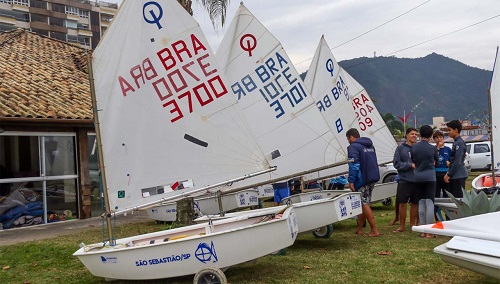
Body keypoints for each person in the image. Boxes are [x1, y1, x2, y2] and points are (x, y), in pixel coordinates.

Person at [346, 128, 381, 237]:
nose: (348, 141)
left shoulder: (353, 147)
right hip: (373, 176)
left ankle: (374, 230)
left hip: (363, 178)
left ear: (352, 137)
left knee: (364, 203)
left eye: (348, 139)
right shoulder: (370, 146)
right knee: (363, 203)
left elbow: (354, 165)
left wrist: (351, 180)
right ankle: (360, 229)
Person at [412, 125, 439, 238]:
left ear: (420, 134)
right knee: (429, 202)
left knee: (421, 202)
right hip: (430, 177)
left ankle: (422, 230)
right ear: (431, 135)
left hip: (418, 177)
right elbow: (436, 161)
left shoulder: (414, 147)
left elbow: (413, 160)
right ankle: (429, 231)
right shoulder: (432, 148)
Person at [392, 127, 419, 233]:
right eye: (412, 134)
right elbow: (396, 164)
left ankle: (412, 225)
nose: (414, 136)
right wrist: (409, 165)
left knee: (415, 203)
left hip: (416, 180)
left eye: (416, 134)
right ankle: (402, 226)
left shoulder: (418, 148)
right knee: (402, 203)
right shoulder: (400, 149)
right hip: (404, 180)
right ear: (406, 135)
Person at [443, 120, 468, 197]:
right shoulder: (456, 142)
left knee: (458, 201)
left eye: (449, 130)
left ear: (456, 130)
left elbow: (458, 161)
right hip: (455, 174)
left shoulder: (459, 143)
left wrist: (449, 174)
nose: (448, 132)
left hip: (458, 175)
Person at [433, 130, 451, 221]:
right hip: (436, 174)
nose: (439, 139)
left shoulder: (448, 149)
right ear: (434, 139)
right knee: (436, 196)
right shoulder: (434, 149)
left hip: (446, 174)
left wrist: (449, 164)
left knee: (447, 196)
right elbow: (433, 161)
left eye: (440, 137)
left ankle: (448, 217)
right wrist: (438, 149)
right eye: (436, 138)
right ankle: (437, 218)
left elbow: (452, 161)